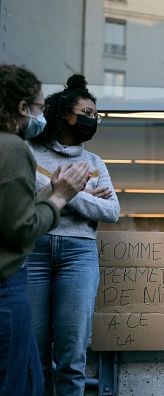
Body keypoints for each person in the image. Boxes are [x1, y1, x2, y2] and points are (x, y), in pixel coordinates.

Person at [26, 74, 120, 396]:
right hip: (34, 252)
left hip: (79, 255)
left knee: (72, 357)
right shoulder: (30, 152)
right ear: (66, 114)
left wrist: (63, 193)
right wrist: (84, 194)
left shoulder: (94, 162)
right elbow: (25, 201)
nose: (93, 120)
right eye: (88, 113)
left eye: (96, 115)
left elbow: (111, 212)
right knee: (34, 356)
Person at [0, 64, 89, 396]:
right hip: (7, 285)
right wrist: (62, 197)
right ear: (23, 108)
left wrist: (46, 193)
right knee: (18, 379)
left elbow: (9, 207)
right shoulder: (14, 147)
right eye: (39, 108)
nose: (41, 116)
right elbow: (21, 228)